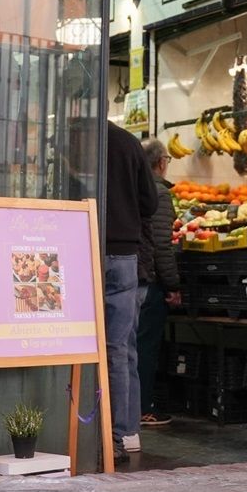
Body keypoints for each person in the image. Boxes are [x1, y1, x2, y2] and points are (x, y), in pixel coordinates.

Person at [97, 119, 156, 459]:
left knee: (79, 343)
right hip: (123, 254)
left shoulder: (71, 138)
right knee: (120, 344)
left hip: (82, 244)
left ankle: (97, 430)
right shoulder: (128, 142)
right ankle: (124, 432)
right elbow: (150, 203)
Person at [135, 138, 181, 429]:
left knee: (131, 345)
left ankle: (129, 408)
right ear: (161, 162)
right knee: (146, 347)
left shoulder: (132, 187)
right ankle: (142, 408)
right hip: (150, 281)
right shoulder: (160, 194)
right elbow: (162, 245)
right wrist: (173, 284)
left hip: (133, 276)